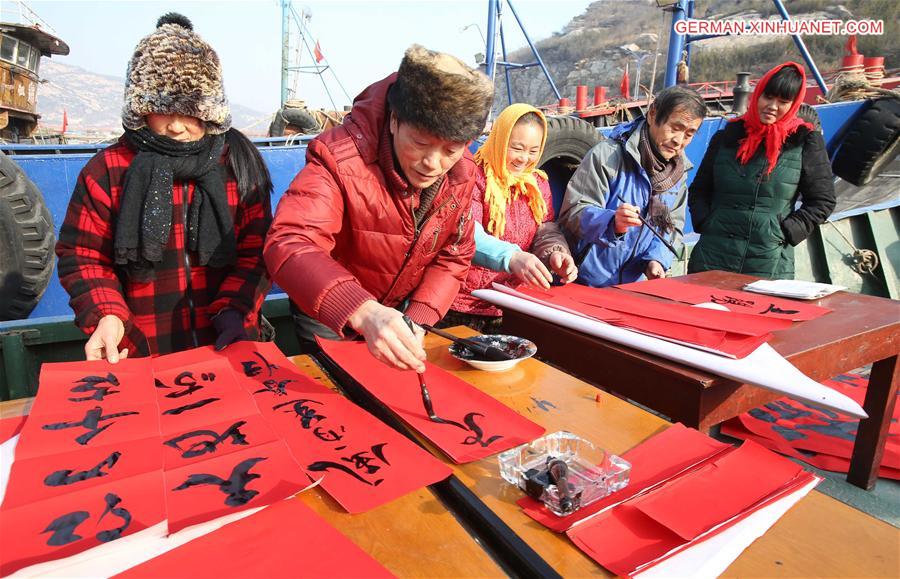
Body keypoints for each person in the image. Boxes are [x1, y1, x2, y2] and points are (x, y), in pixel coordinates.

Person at [56, 13, 273, 361]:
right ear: (139, 110)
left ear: (210, 110)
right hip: (139, 351)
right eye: (162, 110)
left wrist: (235, 310)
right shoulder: (108, 171)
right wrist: (107, 313)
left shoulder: (237, 166)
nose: (175, 126)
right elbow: (83, 256)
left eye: (189, 111)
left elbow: (257, 253)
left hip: (228, 342)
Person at [264, 45, 493, 372]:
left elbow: (455, 253)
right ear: (394, 120)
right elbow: (290, 241)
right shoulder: (339, 157)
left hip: (397, 311)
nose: (433, 163)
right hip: (329, 309)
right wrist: (364, 311)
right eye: (420, 143)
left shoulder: (462, 172)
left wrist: (418, 319)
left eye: (451, 149)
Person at [687, 62, 836, 279]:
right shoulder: (727, 137)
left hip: (769, 261)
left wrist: (784, 232)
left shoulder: (804, 142)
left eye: (783, 101)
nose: (772, 106)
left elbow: (823, 201)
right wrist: (705, 221)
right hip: (712, 256)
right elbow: (700, 189)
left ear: (794, 104)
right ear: (757, 95)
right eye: (768, 97)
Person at [444, 104, 576, 333]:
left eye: (533, 151)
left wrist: (556, 252)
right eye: (516, 148)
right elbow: (465, 233)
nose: (524, 159)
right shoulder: (473, 176)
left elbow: (545, 228)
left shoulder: (537, 183)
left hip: (511, 302)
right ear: (500, 139)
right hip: (462, 303)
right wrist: (512, 257)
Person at [559, 86, 707, 287]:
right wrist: (612, 223)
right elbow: (573, 214)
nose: (678, 141)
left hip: (632, 288)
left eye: (689, 134)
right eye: (675, 128)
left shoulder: (677, 174)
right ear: (653, 115)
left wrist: (656, 260)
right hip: (583, 283)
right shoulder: (607, 156)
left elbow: (672, 227)